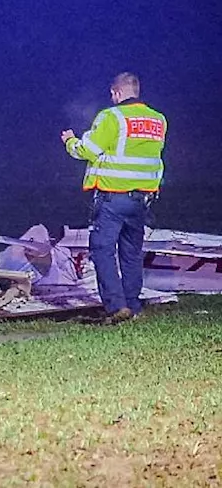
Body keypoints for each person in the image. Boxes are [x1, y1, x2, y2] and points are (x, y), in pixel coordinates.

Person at [60, 72, 167, 323]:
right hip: (142, 200)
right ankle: (133, 305)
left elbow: (88, 150)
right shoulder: (158, 120)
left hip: (112, 198)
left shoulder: (111, 116)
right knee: (131, 253)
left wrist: (70, 141)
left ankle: (116, 306)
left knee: (102, 250)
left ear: (116, 93)